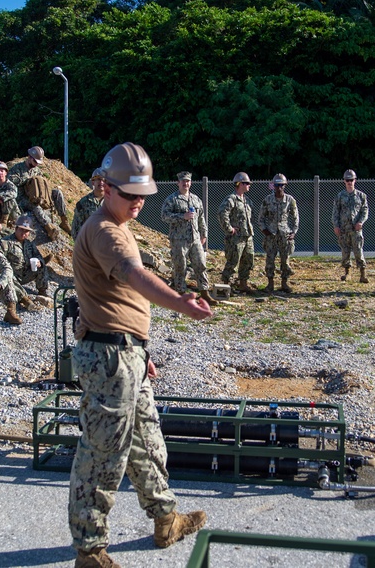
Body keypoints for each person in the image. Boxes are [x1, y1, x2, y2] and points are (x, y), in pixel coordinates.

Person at [69, 142, 211, 567]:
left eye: (142, 195)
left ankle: (165, 518)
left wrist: (139, 350)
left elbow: (117, 299)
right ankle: (90, 550)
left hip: (125, 355)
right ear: (105, 188)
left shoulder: (119, 223)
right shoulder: (105, 229)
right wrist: (182, 303)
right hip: (110, 359)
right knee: (101, 456)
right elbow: (135, 276)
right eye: (130, 195)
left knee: (147, 443)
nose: (138, 203)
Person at [161, 171, 216, 304]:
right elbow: (164, 216)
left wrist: (204, 234)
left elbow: (201, 218)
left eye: (188, 181)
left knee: (201, 264)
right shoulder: (172, 199)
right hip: (179, 240)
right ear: (178, 183)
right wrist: (181, 216)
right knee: (180, 266)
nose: (186, 184)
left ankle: (204, 293)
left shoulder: (196, 199)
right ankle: (181, 294)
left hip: (195, 238)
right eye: (183, 181)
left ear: (190, 183)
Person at [8, 145, 71, 238]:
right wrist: (27, 180)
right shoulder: (17, 169)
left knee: (57, 193)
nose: (36, 164)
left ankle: (64, 221)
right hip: (23, 198)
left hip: (37, 195)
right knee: (35, 206)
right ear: (29, 157)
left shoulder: (36, 170)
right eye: (35, 161)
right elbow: (10, 181)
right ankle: (49, 227)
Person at [257, 174, 300, 293]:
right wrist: (265, 230)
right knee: (270, 260)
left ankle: (284, 283)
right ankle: (270, 284)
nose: (279, 188)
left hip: (284, 234)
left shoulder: (290, 200)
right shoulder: (267, 200)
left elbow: (296, 217)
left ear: (285, 186)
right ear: (273, 186)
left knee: (285, 259)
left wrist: (293, 232)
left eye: (281, 185)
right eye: (276, 185)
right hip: (271, 234)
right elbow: (261, 218)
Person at [0, 215, 51, 310]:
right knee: (7, 277)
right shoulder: (6, 242)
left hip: (25, 273)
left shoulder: (29, 244)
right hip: (12, 275)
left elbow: (38, 256)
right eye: (21, 230)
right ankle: (24, 299)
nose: (24, 233)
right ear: (16, 229)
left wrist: (39, 261)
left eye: (26, 231)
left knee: (42, 265)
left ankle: (42, 290)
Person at [218, 171, 255, 293]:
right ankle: (226, 285)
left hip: (247, 236)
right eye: (246, 183)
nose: (249, 185)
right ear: (240, 184)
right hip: (236, 238)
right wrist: (229, 229)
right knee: (233, 261)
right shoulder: (231, 199)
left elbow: (251, 216)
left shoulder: (247, 200)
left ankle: (243, 284)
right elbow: (222, 213)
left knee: (248, 260)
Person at [332, 169, 369, 283]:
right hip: (343, 229)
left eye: (351, 180)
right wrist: (336, 226)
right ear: (344, 181)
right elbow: (335, 212)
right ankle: (347, 273)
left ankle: (362, 274)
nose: (349, 182)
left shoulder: (361, 196)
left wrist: (361, 222)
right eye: (347, 180)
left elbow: (365, 211)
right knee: (345, 251)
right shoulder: (340, 196)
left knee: (358, 250)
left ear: (355, 180)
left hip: (356, 229)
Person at [71, 167, 105, 238]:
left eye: (103, 179)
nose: (101, 182)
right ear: (93, 182)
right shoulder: (83, 203)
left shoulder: (113, 203)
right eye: (98, 179)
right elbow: (75, 229)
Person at [0, 161, 21, 229]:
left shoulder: (10, 184)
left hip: (12, 213)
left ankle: (4, 221)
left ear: (6, 173)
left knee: (10, 199)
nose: (0, 173)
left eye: (2, 171)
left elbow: (14, 193)